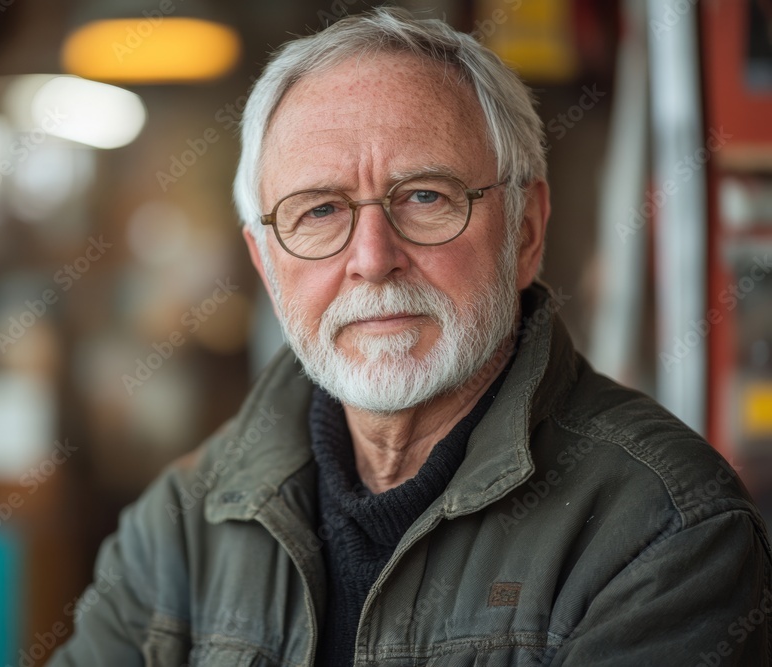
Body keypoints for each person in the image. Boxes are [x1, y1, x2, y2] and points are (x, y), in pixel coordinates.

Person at [49, 7, 771, 665]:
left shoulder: (667, 530)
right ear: (265, 265)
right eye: (320, 211)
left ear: (525, 229)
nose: (372, 259)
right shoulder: (176, 527)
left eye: (425, 196)